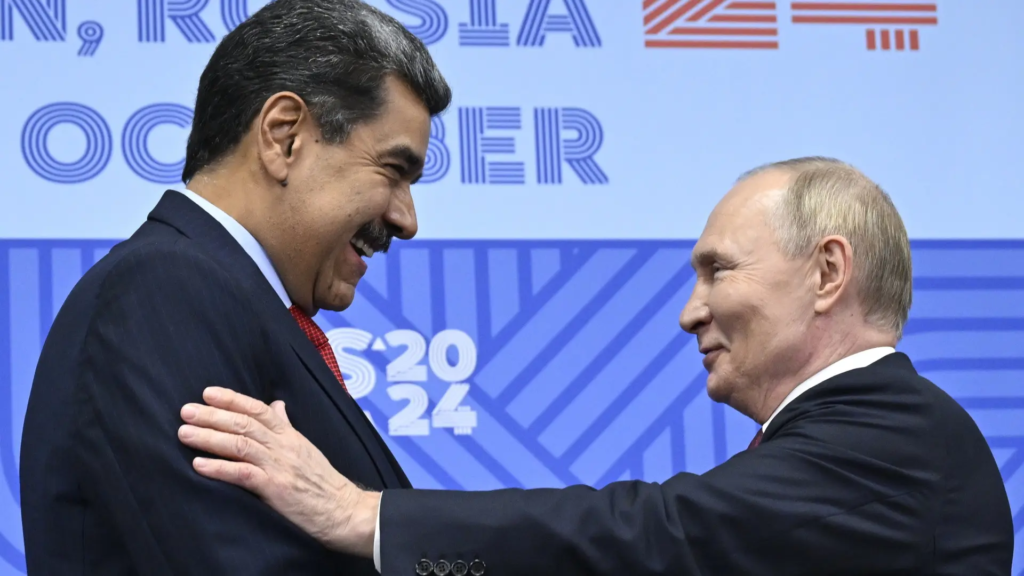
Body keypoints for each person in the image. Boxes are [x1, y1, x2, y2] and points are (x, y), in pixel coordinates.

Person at [176, 157, 1014, 575]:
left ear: (828, 272)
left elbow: (655, 536)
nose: (691, 310)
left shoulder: (894, 437)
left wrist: (368, 519)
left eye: (718, 270)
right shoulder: (852, 438)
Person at [19, 1, 450, 574]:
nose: (407, 219)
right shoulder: (166, 289)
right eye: (394, 171)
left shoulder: (224, 297)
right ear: (284, 136)